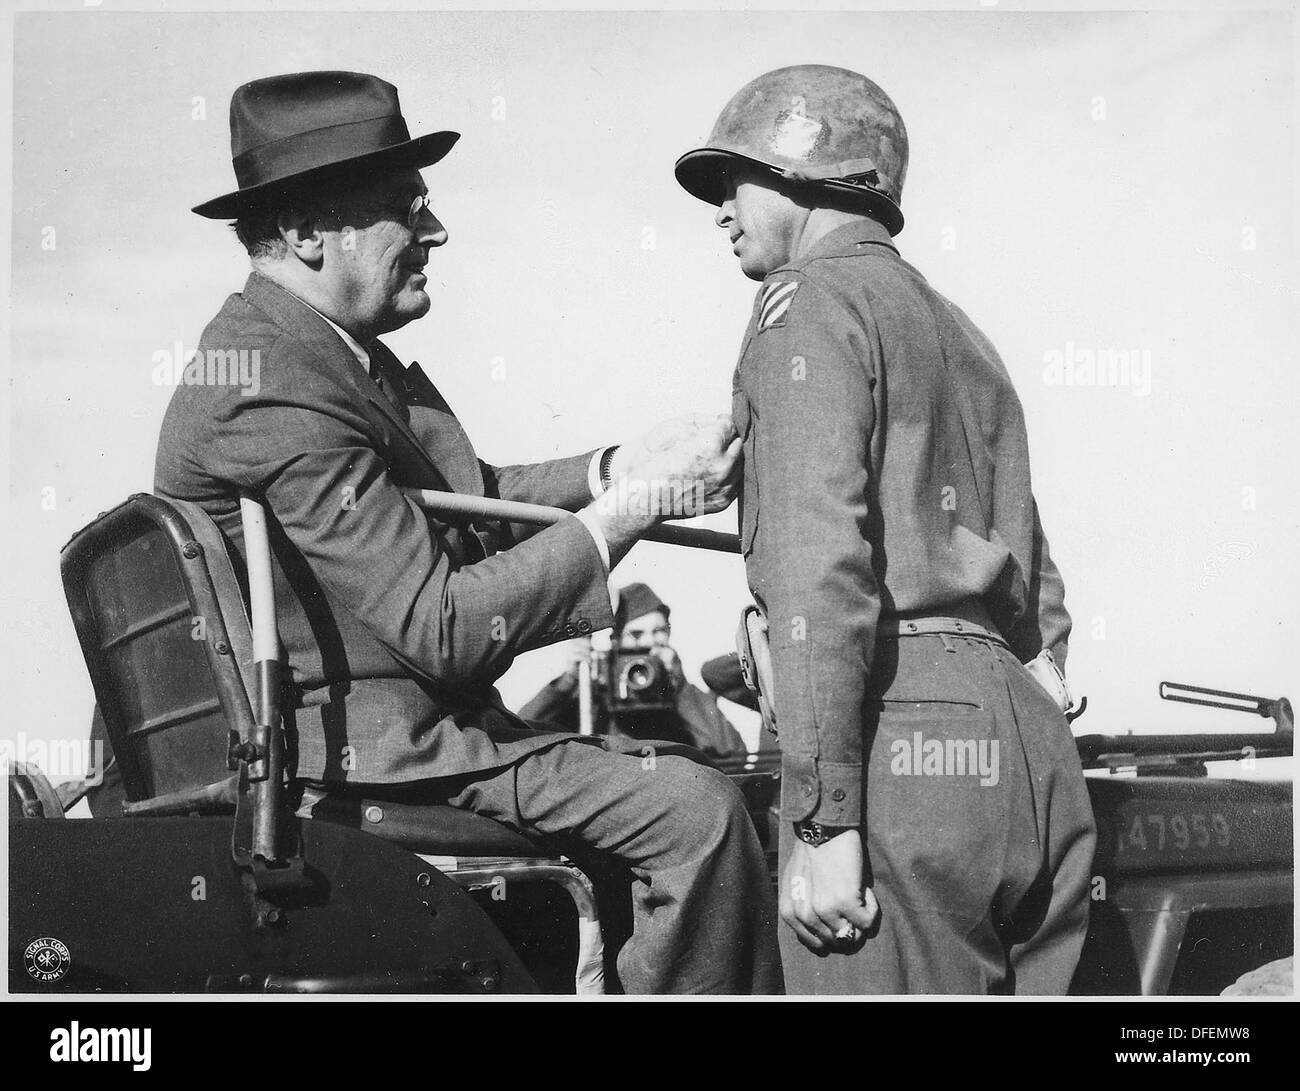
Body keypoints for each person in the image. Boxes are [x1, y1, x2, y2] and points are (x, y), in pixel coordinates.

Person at [156, 70, 781, 994]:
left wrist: (616, 467)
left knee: (690, 773)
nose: (435, 231)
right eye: (407, 209)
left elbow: (461, 499)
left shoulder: (305, 354)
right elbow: (439, 625)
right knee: (701, 809)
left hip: (387, 738)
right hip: (378, 760)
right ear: (302, 233)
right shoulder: (272, 388)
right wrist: (634, 506)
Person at [674, 64, 1096, 993]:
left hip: (898, 738)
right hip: (1026, 745)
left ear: (804, 175)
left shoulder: (808, 307)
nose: (721, 211)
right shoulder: (961, 330)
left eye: (734, 181)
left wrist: (825, 821)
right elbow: (1034, 573)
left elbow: (818, 575)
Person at [519, 582, 750, 759]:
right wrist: (569, 680)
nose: (650, 642)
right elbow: (523, 733)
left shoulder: (678, 692)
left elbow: (732, 751)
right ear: (616, 640)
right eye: (637, 634)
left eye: (659, 631)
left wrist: (679, 687)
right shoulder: (598, 688)